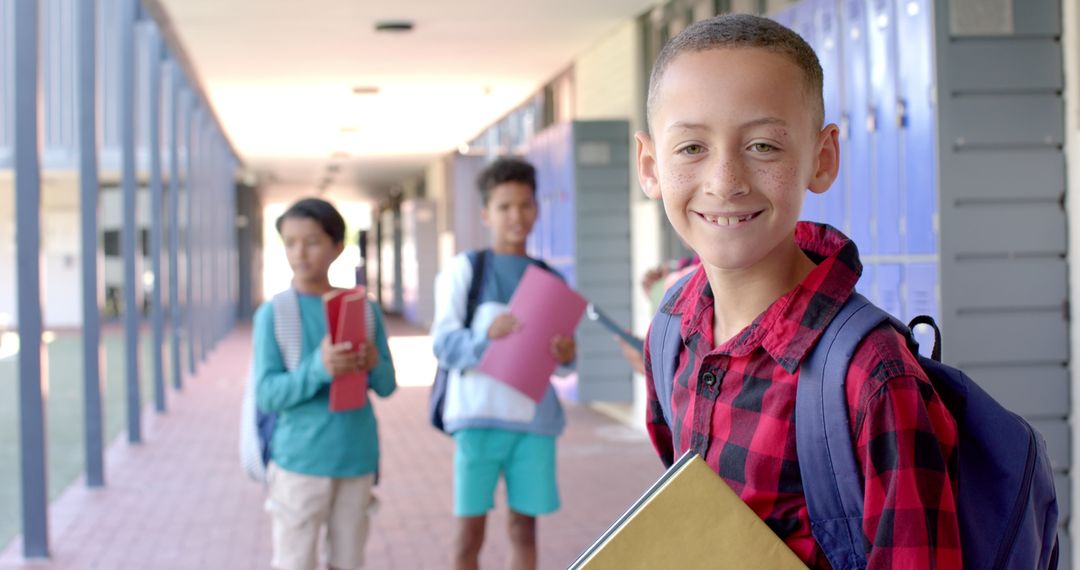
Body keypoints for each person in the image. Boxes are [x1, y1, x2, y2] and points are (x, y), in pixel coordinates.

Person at [636, 14, 961, 568]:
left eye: (763, 145)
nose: (725, 180)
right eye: (691, 148)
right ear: (650, 167)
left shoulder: (873, 377)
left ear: (822, 157)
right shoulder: (671, 329)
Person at [431, 157, 576, 570]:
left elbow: (564, 365)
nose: (517, 216)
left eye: (525, 205)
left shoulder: (551, 278)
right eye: (504, 207)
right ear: (485, 213)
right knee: (468, 535)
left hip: (533, 425)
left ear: (537, 208)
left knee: (524, 530)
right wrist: (485, 339)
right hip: (476, 422)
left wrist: (566, 354)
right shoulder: (466, 270)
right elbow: (442, 343)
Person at [254, 197, 397, 570]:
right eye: (290, 242)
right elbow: (267, 394)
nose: (300, 253)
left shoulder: (364, 309)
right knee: (294, 562)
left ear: (337, 246)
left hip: (356, 459)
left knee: (348, 562)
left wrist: (371, 363)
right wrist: (318, 367)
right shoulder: (274, 314)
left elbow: (386, 385)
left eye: (312, 241)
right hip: (299, 463)